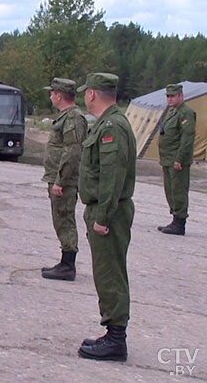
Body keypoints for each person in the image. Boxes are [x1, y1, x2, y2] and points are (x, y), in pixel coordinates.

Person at [76, 72, 136, 362]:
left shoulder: (112, 125)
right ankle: (113, 333)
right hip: (105, 209)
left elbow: (112, 177)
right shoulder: (108, 123)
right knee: (106, 272)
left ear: (91, 94)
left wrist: (102, 217)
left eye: (85, 92)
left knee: (110, 273)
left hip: (109, 212)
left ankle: (116, 340)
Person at [40, 78, 87, 282]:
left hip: (64, 181)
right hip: (58, 178)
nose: (50, 96)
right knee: (60, 218)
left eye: (52, 93)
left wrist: (61, 180)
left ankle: (68, 265)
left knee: (65, 218)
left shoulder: (74, 118)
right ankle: (64, 261)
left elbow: (73, 151)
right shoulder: (66, 117)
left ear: (59, 95)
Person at [157, 83, 195, 236]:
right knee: (170, 190)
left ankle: (180, 224)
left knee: (178, 191)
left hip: (177, 160)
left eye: (173, 96)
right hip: (168, 159)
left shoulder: (186, 113)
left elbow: (187, 138)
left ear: (181, 96)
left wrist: (180, 159)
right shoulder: (172, 112)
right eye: (168, 96)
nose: (170, 99)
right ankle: (174, 220)